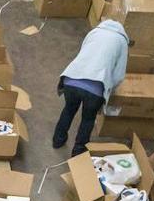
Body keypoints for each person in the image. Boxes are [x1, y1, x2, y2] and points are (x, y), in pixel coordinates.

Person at [52, 19, 128, 156]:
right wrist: (109, 87)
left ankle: (58, 140)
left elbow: (83, 53)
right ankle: (78, 151)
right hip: (95, 88)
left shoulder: (94, 32)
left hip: (71, 78)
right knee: (88, 118)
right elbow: (119, 74)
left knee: (68, 110)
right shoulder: (122, 42)